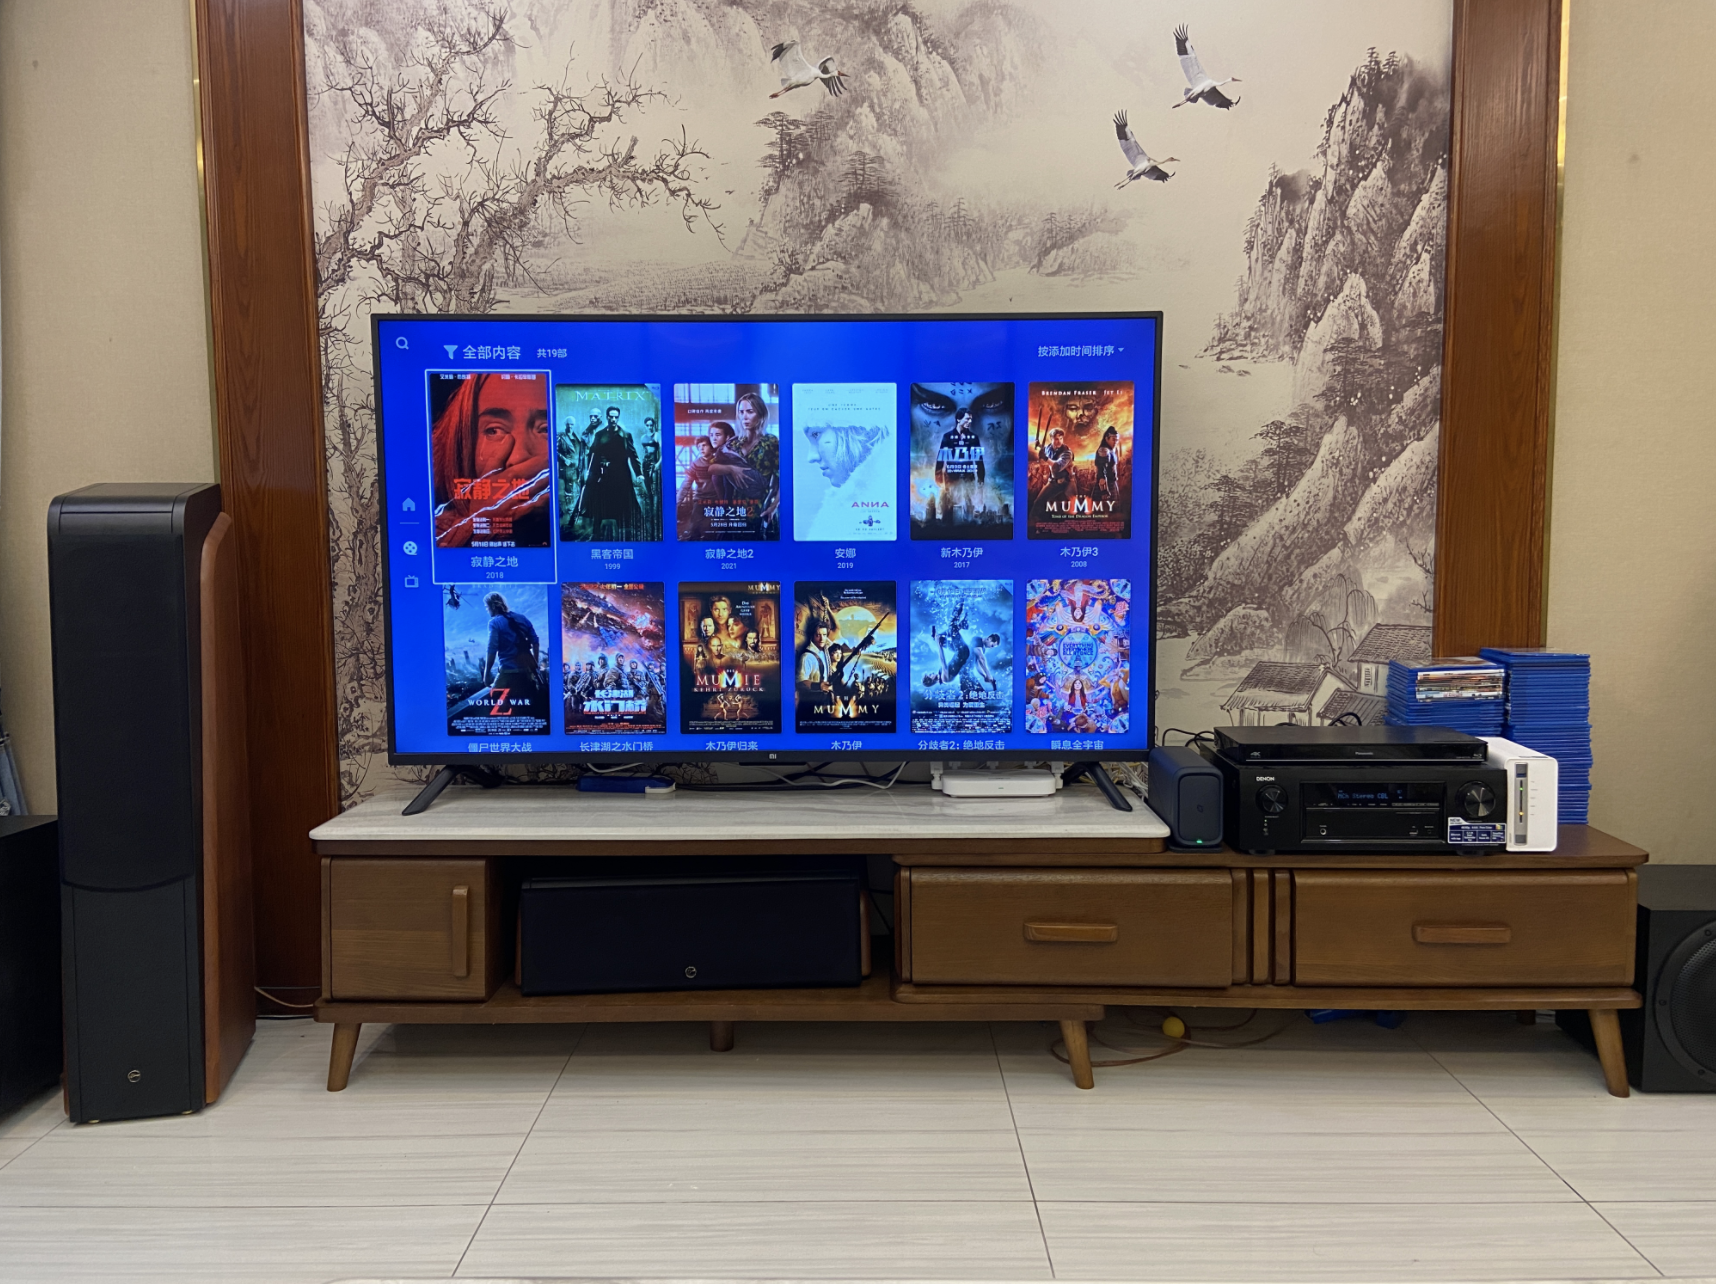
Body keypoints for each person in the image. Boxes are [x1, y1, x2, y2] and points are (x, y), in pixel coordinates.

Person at [432, 374, 551, 547]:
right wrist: (482, 528)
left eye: (546, 429)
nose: (518, 457)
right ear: (462, 444)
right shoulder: (428, 537)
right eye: (493, 430)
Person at [574, 405, 647, 541]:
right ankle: (596, 533)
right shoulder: (599, 435)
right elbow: (593, 456)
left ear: (618, 418)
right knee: (600, 503)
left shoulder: (625, 435)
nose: (613, 419)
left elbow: (633, 455)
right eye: (611, 417)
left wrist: (639, 473)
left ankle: (624, 533)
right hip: (604, 474)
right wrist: (590, 473)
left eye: (616, 417)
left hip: (621, 475)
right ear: (607, 417)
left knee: (623, 503)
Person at [480, 592, 542, 715]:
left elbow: (492, 649)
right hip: (526, 672)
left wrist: (486, 674)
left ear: (492, 606)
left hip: (508, 673)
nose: (487, 610)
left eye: (487, 607)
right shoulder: (522, 618)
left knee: (494, 702)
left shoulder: (494, 623)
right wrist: (534, 663)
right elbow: (535, 641)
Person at [735, 390, 780, 534]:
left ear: (760, 414)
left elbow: (783, 479)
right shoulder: (734, 444)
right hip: (735, 510)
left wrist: (773, 506)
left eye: (750, 411)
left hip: (761, 508)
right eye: (741, 412)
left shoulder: (771, 442)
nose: (744, 416)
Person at [934, 407, 987, 522]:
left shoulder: (973, 438)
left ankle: (968, 528)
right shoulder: (948, 437)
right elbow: (941, 458)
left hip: (969, 476)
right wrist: (938, 477)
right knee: (950, 505)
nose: (970, 421)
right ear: (958, 419)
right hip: (951, 477)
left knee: (969, 506)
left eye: (971, 419)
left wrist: (981, 478)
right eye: (967, 419)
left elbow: (979, 460)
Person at [1037, 426, 1076, 514]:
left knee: (1072, 509)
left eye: (1061, 438)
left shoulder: (1067, 452)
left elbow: (1057, 467)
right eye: (1056, 439)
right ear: (1051, 439)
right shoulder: (1049, 448)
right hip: (1053, 482)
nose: (1059, 441)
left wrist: (1045, 458)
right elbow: (1045, 450)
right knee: (1038, 504)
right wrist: (1039, 445)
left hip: (1067, 482)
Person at [1093, 425, 1121, 502]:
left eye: (1117, 440)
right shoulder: (1104, 450)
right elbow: (1102, 469)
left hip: (1112, 483)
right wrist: (1104, 490)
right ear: (1106, 438)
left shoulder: (1111, 450)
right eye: (1113, 439)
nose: (1115, 442)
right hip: (1106, 485)